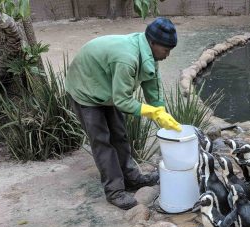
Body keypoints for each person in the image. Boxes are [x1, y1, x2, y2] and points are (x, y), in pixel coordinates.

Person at [65, 17, 182, 210]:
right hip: (85, 88)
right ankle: (114, 191)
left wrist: (159, 109)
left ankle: (131, 178)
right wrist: (151, 112)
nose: (168, 55)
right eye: (166, 50)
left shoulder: (149, 53)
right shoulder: (127, 58)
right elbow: (122, 101)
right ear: (152, 42)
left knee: (119, 134)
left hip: (107, 85)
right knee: (102, 140)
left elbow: (152, 82)